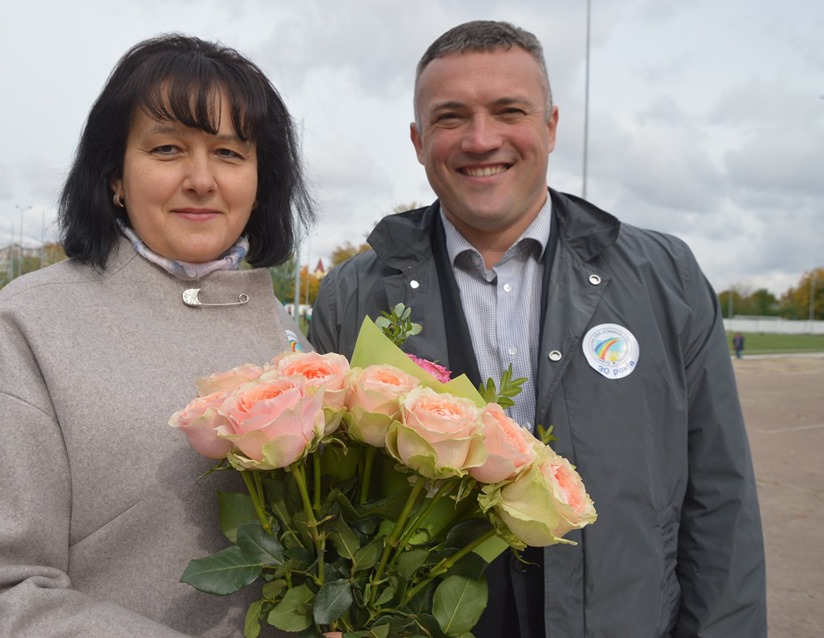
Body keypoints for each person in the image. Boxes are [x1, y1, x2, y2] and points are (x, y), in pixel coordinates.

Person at [309, 20, 765, 638]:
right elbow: (325, 508)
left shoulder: (667, 278)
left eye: (508, 111)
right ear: (418, 141)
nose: (480, 138)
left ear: (550, 126)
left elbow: (721, 502)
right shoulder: (352, 294)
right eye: (450, 118)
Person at [0, 34, 313, 637]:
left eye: (230, 153)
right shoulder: (29, 325)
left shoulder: (295, 346)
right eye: (167, 149)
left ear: (261, 179)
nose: (201, 179)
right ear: (114, 175)